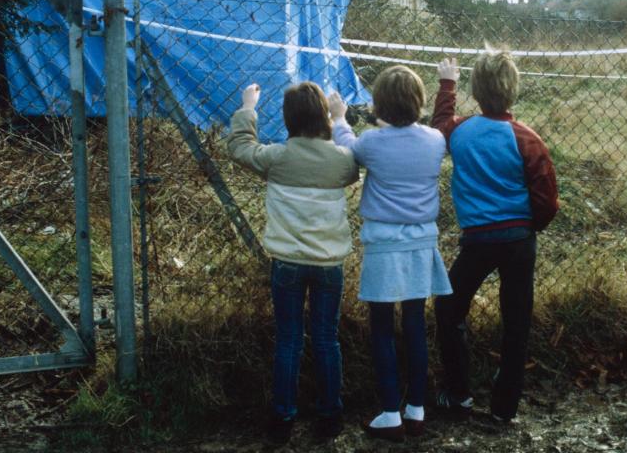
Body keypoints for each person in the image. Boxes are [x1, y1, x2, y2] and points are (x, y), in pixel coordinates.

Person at [227, 81, 359, 445]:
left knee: (288, 339)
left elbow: (239, 147)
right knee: (326, 339)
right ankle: (330, 415)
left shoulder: (277, 158)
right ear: (322, 116)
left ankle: (283, 418)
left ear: (287, 119)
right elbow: (354, 158)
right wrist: (341, 117)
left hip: (287, 262)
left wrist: (248, 108)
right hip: (329, 263)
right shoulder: (343, 162)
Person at [431, 51, 559, 424]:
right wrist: (530, 226)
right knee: (516, 321)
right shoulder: (528, 139)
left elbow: (439, 125)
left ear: (477, 90)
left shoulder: (460, 131)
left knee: (449, 309)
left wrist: (446, 84)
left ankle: (458, 394)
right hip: (520, 241)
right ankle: (505, 407)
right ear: (514, 89)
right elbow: (547, 198)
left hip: (478, 242)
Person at [328, 66, 452, 442]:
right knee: (414, 325)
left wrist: (338, 118)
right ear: (420, 101)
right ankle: (416, 408)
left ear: (378, 104)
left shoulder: (371, 142)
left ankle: (388, 412)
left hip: (384, 245)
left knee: (381, 327)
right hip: (420, 244)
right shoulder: (434, 140)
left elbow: (347, 148)